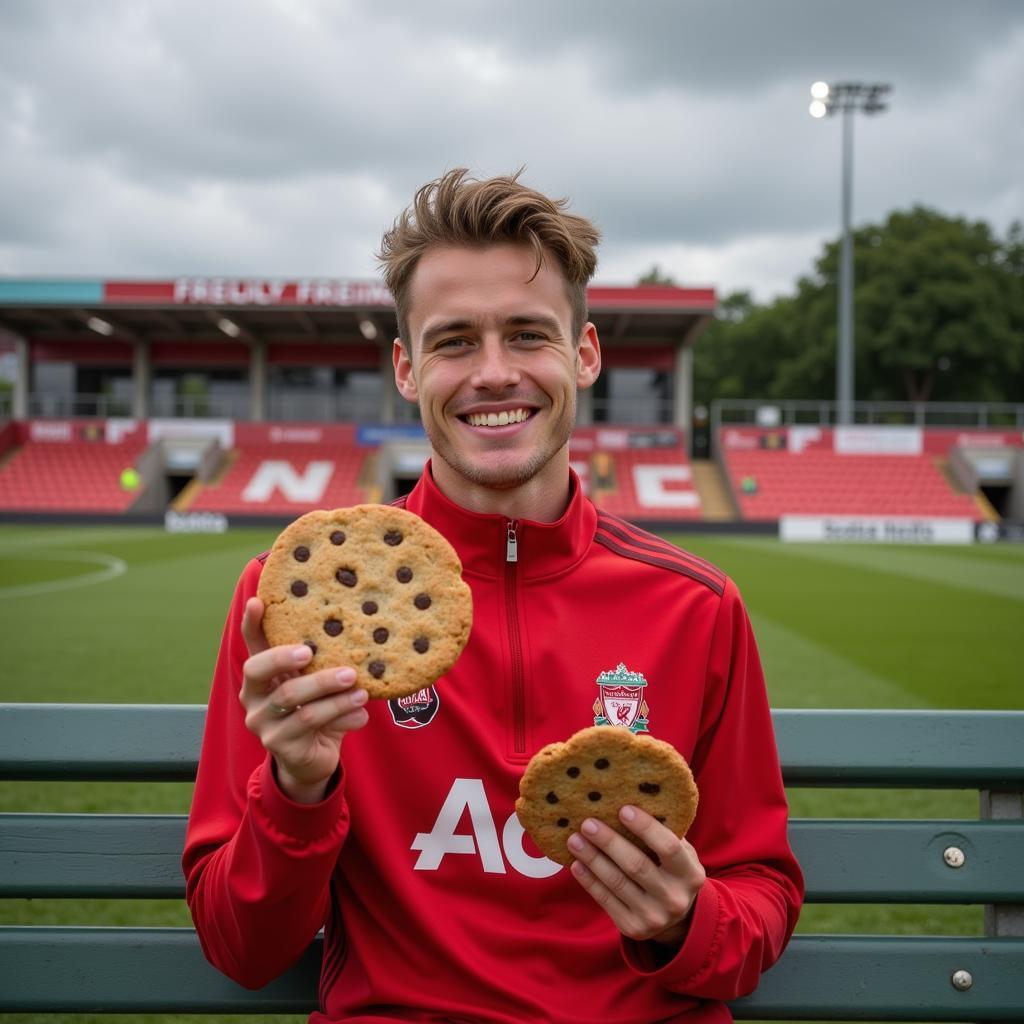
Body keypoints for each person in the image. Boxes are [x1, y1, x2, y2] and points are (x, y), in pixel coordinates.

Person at [183, 168, 803, 1023]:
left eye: (527, 334)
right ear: (406, 368)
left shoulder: (695, 606)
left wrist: (687, 924)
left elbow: (759, 892)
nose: (494, 373)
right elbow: (240, 949)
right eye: (453, 342)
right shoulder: (287, 612)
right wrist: (298, 784)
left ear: (584, 354)